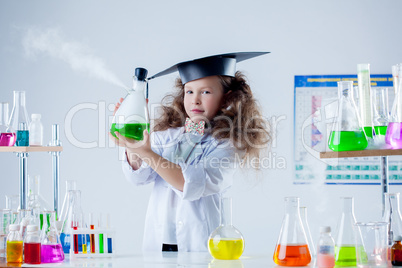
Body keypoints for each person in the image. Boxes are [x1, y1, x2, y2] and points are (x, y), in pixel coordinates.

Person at [109, 52, 271, 252]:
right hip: (159, 241)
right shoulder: (167, 136)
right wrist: (133, 147)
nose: (195, 100)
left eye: (206, 92)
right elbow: (139, 176)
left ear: (227, 98)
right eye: (189, 92)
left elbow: (190, 183)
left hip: (200, 245)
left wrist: (147, 153)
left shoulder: (226, 146)